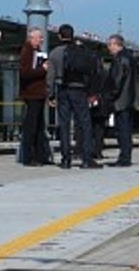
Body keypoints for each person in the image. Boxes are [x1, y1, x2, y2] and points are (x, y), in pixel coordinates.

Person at [47, 23, 101, 169]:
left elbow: (50, 77)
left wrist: (50, 95)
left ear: (59, 36)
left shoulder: (54, 53)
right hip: (79, 90)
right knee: (84, 123)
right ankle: (86, 158)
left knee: (64, 124)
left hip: (62, 90)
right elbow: (90, 73)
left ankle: (65, 159)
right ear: (72, 35)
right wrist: (91, 92)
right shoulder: (81, 51)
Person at [17, 27, 53, 166]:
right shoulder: (27, 52)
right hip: (32, 93)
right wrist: (42, 70)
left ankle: (40, 155)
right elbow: (25, 73)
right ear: (31, 38)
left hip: (38, 93)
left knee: (39, 125)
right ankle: (29, 156)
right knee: (31, 126)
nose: (42, 40)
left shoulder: (36, 52)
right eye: (40, 37)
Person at [101, 34, 138, 167]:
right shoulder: (131, 58)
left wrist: (110, 96)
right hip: (129, 99)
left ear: (117, 45)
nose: (108, 48)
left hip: (120, 100)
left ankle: (124, 157)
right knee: (126, 130)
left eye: (110, 45)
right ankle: (126, 155)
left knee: (122, 130)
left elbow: (117, 81)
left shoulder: (119, 59)